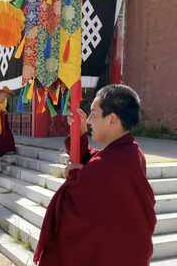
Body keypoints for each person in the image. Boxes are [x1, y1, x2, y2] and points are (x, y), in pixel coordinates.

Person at [33, 84, 156, 266]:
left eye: (93, 114)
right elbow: (97, 162)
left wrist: (74, 176)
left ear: (112, 119)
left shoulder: (111, 163)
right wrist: (81, 136)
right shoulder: (131, 152)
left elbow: (70, 212)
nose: (89, 121)